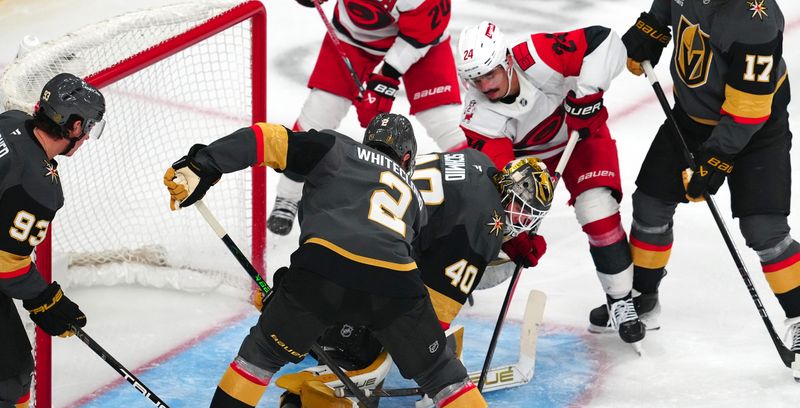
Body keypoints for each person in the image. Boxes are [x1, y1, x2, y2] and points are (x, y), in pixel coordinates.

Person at [163, 113, 548, 408]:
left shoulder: (336, 147)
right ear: (409, 159)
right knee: (442, 374)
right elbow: (408, 272)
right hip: (394, 284)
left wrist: (203, 164)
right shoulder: (414, 199)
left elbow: (266, 138)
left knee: (261, 353)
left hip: (319, 272)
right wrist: (417, 344)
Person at [248, 153, 552, 408]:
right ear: (507, 193)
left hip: (339, 234)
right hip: (354, 268)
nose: (523, 223)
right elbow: (435, 315)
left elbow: (439, 231)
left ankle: (310, 317)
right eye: (522, 213)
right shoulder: (480, 226)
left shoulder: (478, 164)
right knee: (359, 356)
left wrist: (502, 247)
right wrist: (432, 363)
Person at [619, 1, 800, 375]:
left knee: (764, 230)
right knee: (650, 204)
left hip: (756, 130)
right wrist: (653, 27)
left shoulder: (756, 20)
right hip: (691, 116)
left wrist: (715, 161)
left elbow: (749, 108)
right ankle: (644, 297)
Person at [455, 21, 646, 348]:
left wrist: (588, 95)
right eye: (475, 78)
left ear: (506, 61)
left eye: (490, 74)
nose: (484, 86)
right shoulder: (478, 115)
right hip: (531, 165)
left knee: (596, 209)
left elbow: (605, 41)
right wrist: (513, 233)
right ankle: (453, 283)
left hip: (582, 135)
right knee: (490, 219)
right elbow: (498, 179)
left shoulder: (536, 55)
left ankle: (620, 299)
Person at [0, 73, 105, 408]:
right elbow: (7, 267)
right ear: (76, 128)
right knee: (10, 374)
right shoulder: (39, 187)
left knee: (13, 366)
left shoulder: (8, 123)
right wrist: (47, 299)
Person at [267, 0, 467, 236]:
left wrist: (388, 75)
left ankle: (480, 196)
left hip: (420, 42)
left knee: (445, 122)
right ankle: (287, 196)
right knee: (318, 115)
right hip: (354, 36)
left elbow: (425, 30)